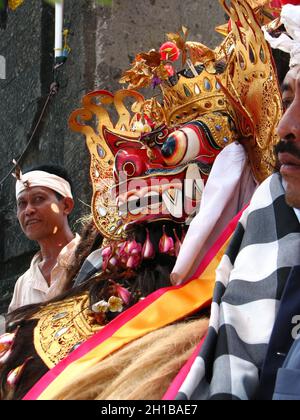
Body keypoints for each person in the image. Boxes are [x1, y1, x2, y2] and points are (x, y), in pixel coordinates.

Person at [8, 165, 79, 313]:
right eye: (22, 203)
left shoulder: (92, 258)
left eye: (38, 199)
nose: (28, 210)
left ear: (66, 205)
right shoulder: (22, 285)